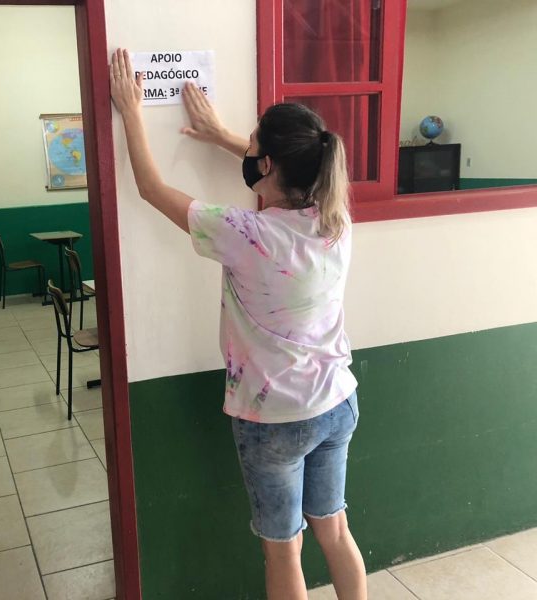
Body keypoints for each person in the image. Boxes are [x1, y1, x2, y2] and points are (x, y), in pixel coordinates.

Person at [109, 48, 367, 599]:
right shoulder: (337, 222)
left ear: (267, 164)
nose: (246, 151)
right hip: (336, 403)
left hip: (273, 418)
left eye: (253, 147)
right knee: (335, 530)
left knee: (283, 551)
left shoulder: (245, 233)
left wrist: (130, 111)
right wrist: (227, 136)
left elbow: (153, 190)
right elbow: (292, 172)